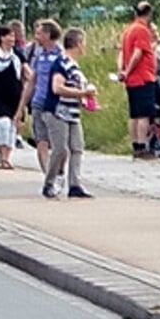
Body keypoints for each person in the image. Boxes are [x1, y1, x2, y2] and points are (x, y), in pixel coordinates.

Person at [43, 27, 95, 200]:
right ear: (77, 43)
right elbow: (57, 88)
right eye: (83, 43)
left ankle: (75, 184)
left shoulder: (74, 65)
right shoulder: (62, 62)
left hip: (73, 112)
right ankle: (49, 183)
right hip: (58, 111)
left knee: (77, 147)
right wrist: (82, 94)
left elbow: (74, 86)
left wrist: (85, 100)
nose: (84, 46)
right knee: (60, 149)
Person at [19, 19, 63, 174]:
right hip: (38, 102)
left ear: (48, 34)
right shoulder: (39, 56)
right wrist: (21, 106)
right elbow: (31, 82)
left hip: (57, 104)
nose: (36, 36)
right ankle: (47, 174)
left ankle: (59, 169)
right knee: (41, 140)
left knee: (60, 144)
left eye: (39, 33)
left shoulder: (61, 55)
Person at [118, 0, 160, 158]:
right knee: (144, 114)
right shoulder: (142, 30)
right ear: (149, 14)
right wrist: (128, 71)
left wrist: (121, 70)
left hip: (131, 79)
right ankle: (142, 146)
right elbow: (138, 53)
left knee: (134, 113)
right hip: (142, 76)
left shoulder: (128, 30)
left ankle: (135, 145)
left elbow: (122, 52)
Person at [0, 25, 23, 170]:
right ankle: (1, 155)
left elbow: (21, 76)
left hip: (13, 96)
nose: (13, 39)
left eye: (13, 36)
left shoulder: (15, 56)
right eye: (9, 36)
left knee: (12, 126)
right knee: (2, 124)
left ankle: (6, 157)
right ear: (1, 37)